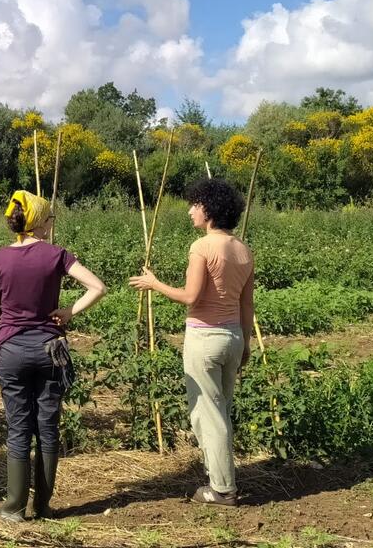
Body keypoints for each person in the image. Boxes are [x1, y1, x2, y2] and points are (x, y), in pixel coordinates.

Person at [0, 190, 107, 521]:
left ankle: (14, 507)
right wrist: (68, 311)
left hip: (12, 350)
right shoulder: (56, 255)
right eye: (50, 218)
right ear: (40, 222)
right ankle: (43, 506)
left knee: (19, 427)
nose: (52, 223)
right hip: (51, 351)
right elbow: (98, 287)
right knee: (47, 426)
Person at [128, 178, 254, 507]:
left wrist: (154, 284)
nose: (190, 211)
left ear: (209, 209)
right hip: (234, 337)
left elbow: (191, 296)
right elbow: (247, 304)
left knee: (206, 414)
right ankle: (219, 477)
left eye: (194, 205)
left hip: (205, 337)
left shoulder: (202, 247)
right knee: (221, 411)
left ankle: (222, 490)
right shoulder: (243, 250)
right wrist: (247, 343)